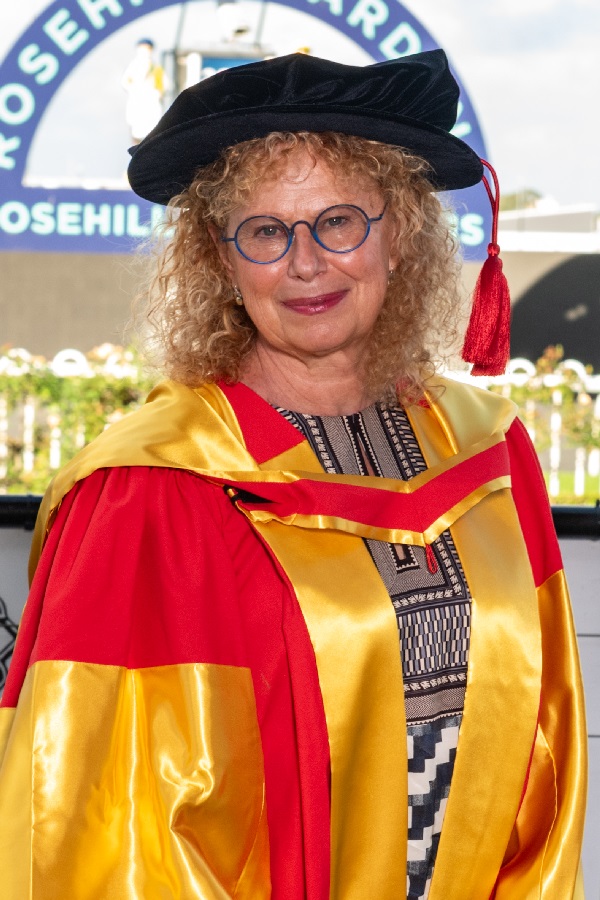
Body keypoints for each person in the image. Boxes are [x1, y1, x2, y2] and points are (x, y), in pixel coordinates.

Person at [0, 51, 587, 899]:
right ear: (220, 259)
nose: (306, 263)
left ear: (400, 233)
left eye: (339, 221)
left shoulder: (489, 454)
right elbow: (106, 823)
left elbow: (547, 739)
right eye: (266, 232)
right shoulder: (154, 487)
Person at [122, 38, 166, 144]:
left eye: (147, 48)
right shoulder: (134, 66)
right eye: (142, 48)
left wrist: (158, 93)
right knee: (136, 128)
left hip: (151, 102)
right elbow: (125, 82)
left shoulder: (156, 67)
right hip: (137, 102)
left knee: (152, 129)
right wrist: (135, 89)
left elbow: (163, 84)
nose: (145, 50)